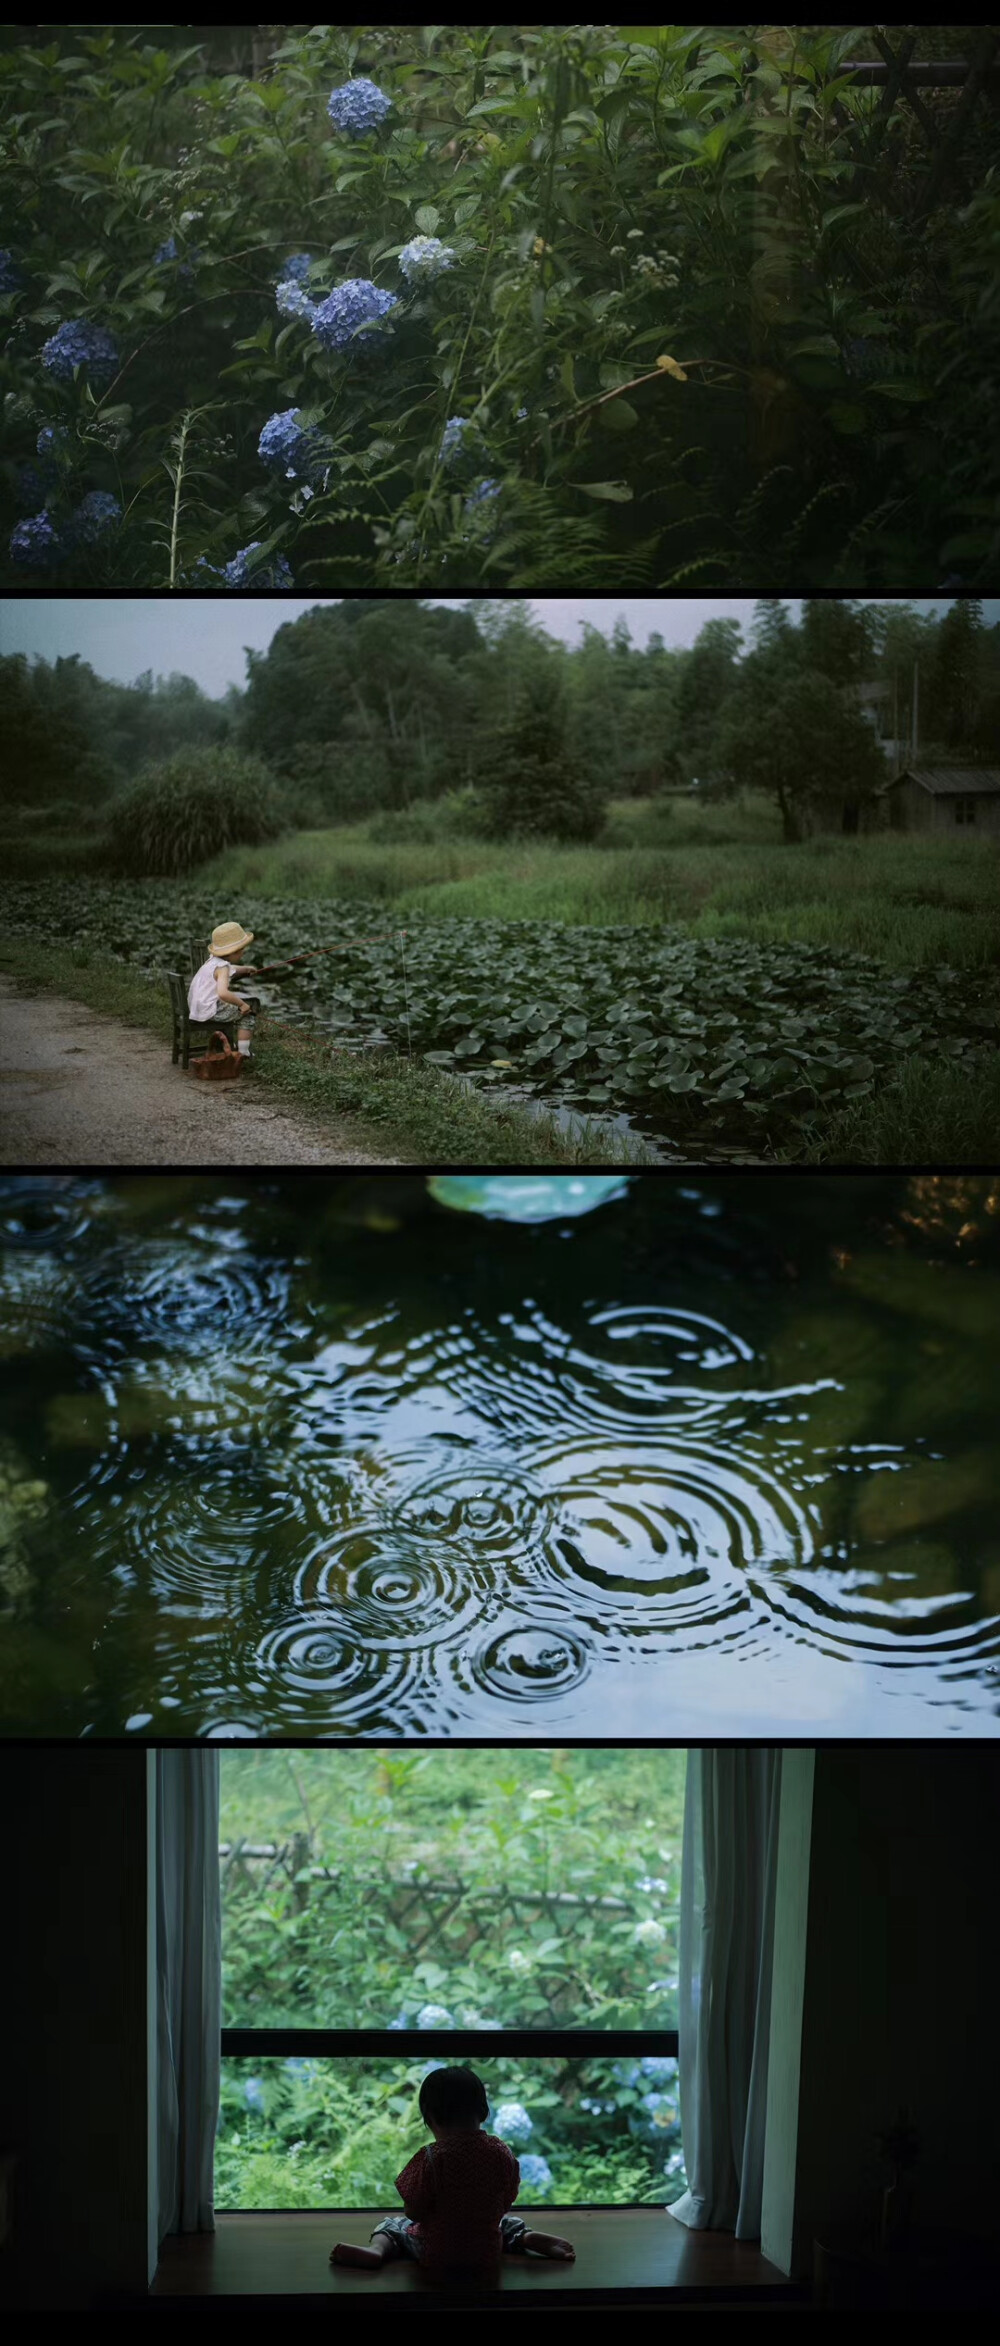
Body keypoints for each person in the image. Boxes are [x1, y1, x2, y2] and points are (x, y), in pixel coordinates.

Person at [330, 2066, 575, 2280]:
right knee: (506, 2224)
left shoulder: (432, 2157)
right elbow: (506, 2200)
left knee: (393, 2226)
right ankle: (525, 2238)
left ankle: (376, 2252)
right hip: (486, 2251)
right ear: (483, 2111)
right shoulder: (501, 2151)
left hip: (436, 2253)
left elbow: (413, 2212)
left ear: (430, 2117)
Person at [187, 921, 261, 1058]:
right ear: (233, 952)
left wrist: (245, 969)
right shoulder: (223, 968)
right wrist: (242, 1005)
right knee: (248, 1012)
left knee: (239, 1007)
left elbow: (230, 969)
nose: (243, 952)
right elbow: (223, 993)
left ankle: (230, 1045)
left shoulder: (213, 961)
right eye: (242, 949)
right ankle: (244, 1053)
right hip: (209, 1011)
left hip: (197, 1007)